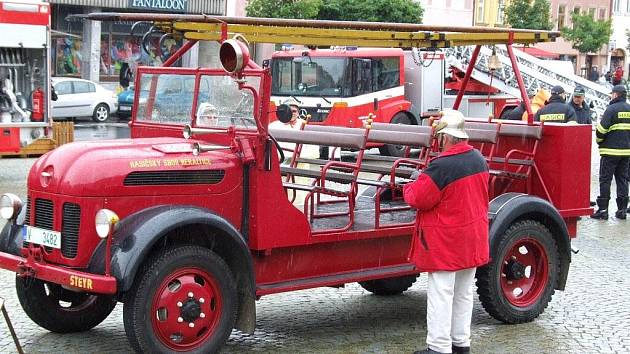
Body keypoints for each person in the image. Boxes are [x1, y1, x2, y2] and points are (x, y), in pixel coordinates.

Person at [404, 110, 489, 354]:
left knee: (441, 294)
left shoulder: (442, 166)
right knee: (463, 293)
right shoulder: (478, 159)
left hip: (447, 241)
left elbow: (419, 198)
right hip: (471, 236)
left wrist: (412, 183)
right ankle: (461, 343)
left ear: (445, 138)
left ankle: (439, 347)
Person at [591, 84, 630, 220]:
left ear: (616, 94)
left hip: (610, 152)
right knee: (622, 180)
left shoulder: (611, 109)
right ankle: (622, 210)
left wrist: (599, 141)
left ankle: (603, 210)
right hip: (626, 153)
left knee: (605, 180)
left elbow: (601, 130)